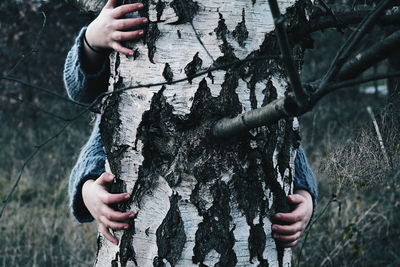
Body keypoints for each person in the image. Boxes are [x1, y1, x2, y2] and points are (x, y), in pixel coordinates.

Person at [64, 0, 318, 248]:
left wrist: (304, 199)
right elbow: (81, 92)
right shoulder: (128, 15)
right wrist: (92, 43)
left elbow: (288, 142)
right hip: (137, 226)